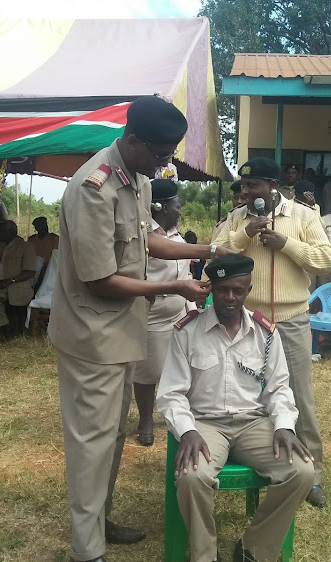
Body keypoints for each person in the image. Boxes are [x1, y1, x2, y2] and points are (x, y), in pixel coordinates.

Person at [47, 95, 228, 562]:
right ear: (132, 141)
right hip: (93, 334)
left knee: (111, 435)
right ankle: (86, 551)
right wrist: (172, 290)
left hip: (122, 331)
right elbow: (100, 280)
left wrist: (206, 252)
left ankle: (98, 520)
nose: (165, 164)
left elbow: (146, 239)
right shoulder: (95, 187)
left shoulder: (137, 178)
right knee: (92, 439)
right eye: (162, 154)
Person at [157, 253, 314, 562]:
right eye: (222, 289)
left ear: (248, 289)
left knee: (302, 471)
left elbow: (279, 387)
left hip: (254, 423)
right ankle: (204, 555)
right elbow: (171, 393)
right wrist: (187, 431)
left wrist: (284, 424)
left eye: (238, 290)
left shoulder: (266, 333)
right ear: (211, 288)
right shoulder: (187, 331)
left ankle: (254, 548)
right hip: (205, 425)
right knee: (192, 477)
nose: (229, 297)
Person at [211, 156, 331, 508]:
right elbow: (215, 261)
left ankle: (310, 474)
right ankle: (263, 460)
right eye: (244, 186)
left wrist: (287, 245)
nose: (246, 192)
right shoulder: (236, 219)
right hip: (245, 321)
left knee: (299, 396)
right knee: (246, 393)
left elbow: (327, 260)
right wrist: (244, 235)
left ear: (273, 187)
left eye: (253, 186)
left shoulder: (303, 216)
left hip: (292, 320)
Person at [132, 179, 192, 447]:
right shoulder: (145, 235)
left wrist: (192, 307)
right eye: (177, 205)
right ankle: (145, 419)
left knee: (181, 370)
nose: (180, 210)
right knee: (148, 371)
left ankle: (178, 417)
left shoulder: (176, 235)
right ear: (162, 207)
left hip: (180, 313)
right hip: (153, 314)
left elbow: (185, 273)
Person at [0, 220, 36, 336]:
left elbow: (30, 272)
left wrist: (9, 281)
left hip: (17, 285)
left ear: (11, 232)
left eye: (1, 231)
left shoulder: (26, 247)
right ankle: (4, 327)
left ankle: (7, 329)